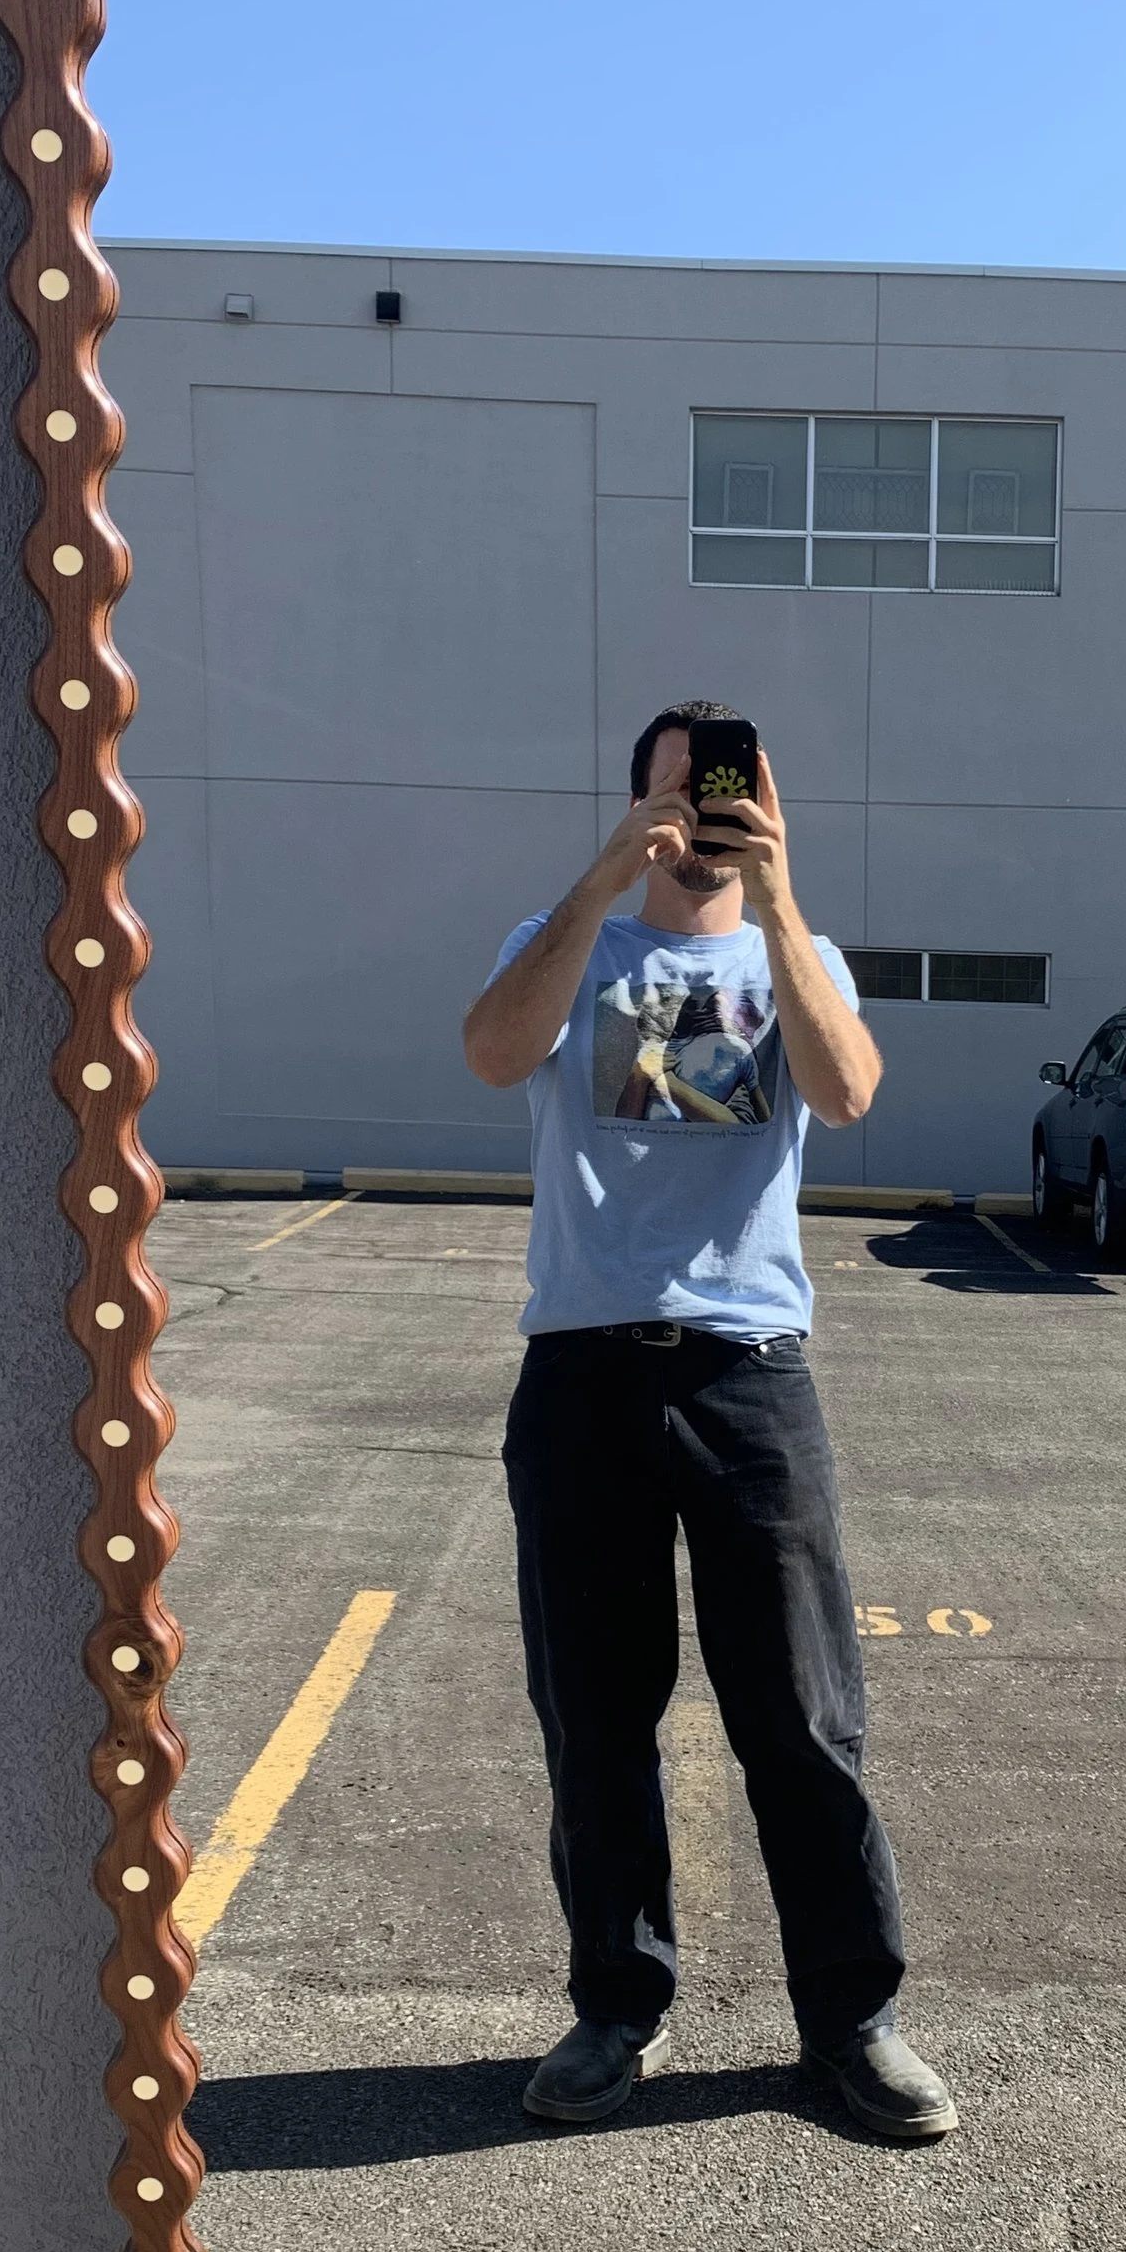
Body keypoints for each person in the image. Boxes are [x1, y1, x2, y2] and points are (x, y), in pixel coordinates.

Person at [461, 700, 957, 2144]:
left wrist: (785, 900)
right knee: (597, 1720)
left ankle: (854, 2023)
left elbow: (853, 1093)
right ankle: (618, 2008)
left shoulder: (793, 956)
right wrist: (606, 880)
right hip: (584, 1376)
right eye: (679, 795)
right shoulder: (561, 946)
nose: (706, 822)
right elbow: (496, 1056)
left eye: (731, 794)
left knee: (803, 1717)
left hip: (749, 1375)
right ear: (637, 806)